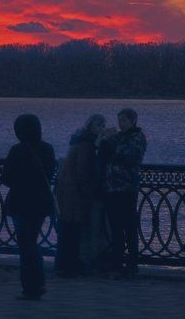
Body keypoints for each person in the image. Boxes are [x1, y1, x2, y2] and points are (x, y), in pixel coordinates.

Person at [0, 114, 57, 301]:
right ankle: (38, 283)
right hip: (40, 203)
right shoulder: (48, 149)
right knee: (31, 240)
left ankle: (31, 286)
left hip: (21, 203)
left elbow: (6, 177)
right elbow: (50, 173)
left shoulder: (17, 150)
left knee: (26, 244)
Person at [54, 114, 106, 277]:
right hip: (75, 193)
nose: (101, 129)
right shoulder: (86, 145)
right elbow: (83, 171)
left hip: (68, 191)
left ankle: (64, 264)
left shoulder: (80, 141)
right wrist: (89, 192)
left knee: (67, 229)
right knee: (72, 230)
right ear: (90, 126)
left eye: (103, 126)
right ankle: (70, 265)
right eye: (98, 126)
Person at [101, 107, 147, 279]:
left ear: (133, 121)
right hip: (112, 188)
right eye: (120, 120)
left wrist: (112, 142)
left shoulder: (137, 137)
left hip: (127, 188)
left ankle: (131, 264)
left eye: (124, 121)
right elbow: (105, 156)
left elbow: (130, 158)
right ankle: (117, 262)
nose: (121, 124)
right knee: (116, 228)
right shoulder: (118, 137)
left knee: (129, 227)